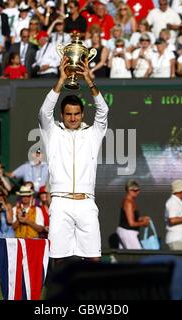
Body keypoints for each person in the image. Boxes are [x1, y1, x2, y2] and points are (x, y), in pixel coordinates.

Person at [38, 56, 108, 261]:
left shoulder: (93, 134)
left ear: (82, 114)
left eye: (77, 113)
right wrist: (61, 80)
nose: (73, 118)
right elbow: (44, 112)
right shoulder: (53, 133)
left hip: (86, 202)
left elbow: (103, 111)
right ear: (62, 114)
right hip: (60, 202)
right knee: (58, 258)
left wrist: (89, 81)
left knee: (94, 258)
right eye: (68, 114)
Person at [116, 180, 150, 249]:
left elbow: (131, 218)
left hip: (126, 232)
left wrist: (142, 218)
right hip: (127, 232)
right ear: (129, 190)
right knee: (137, 256)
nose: (137, 192)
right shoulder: (128, 203)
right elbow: (131, 223)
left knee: (127, 257)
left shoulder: (131, 201)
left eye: (138, 190)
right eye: (135, 190)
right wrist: (143, 223)